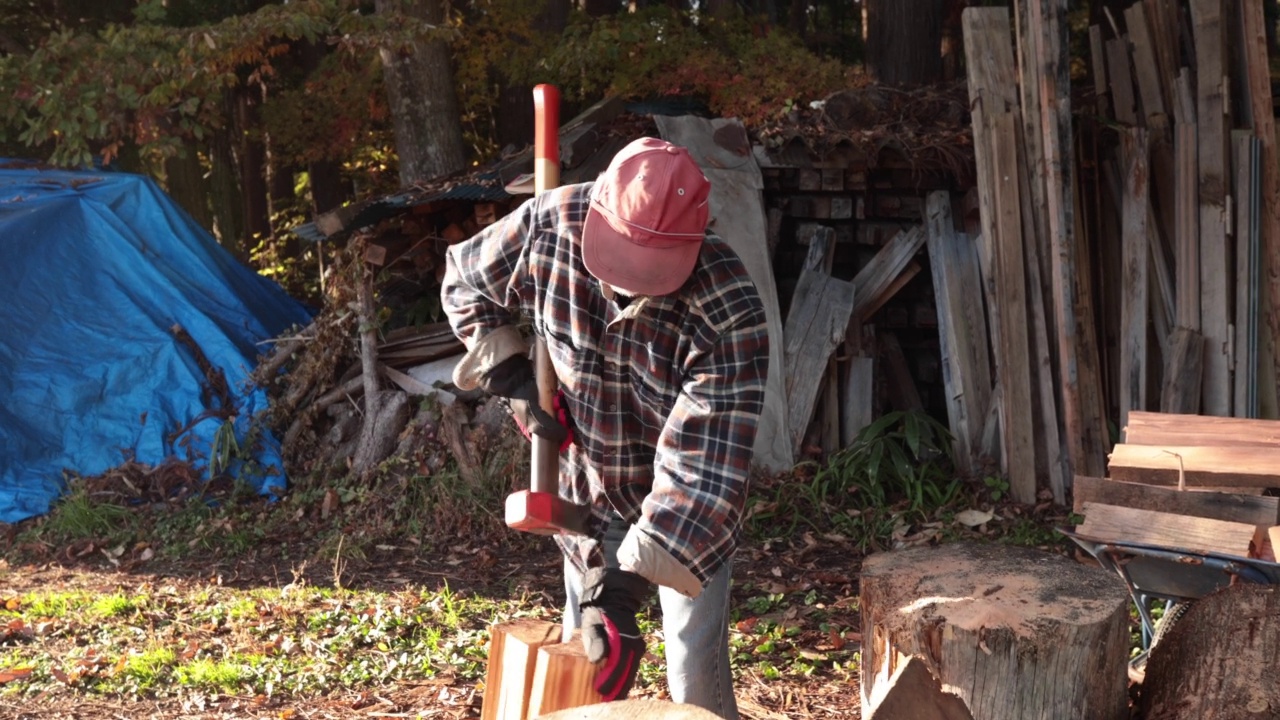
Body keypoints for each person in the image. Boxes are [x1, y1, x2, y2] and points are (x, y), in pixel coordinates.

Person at [441, 136, 768, 719]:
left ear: (698, 235)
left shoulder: (728, 308)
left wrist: (621, 587)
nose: (629, 284)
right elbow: (464, 281)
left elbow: (703, 474)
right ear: (600, 206)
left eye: (652, 268)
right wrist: (512, 375)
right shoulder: (552, 223)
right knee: (585, 668)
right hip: (582, 491)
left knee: (693, 679)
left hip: (681, 517)